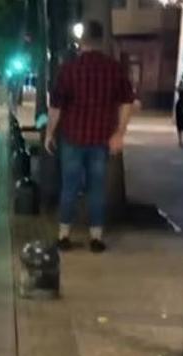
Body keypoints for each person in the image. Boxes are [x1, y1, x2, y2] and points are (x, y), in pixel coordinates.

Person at [45, 20, 134, 254]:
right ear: (101, 40)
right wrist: (119, 133)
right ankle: (96, 238)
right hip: (101, 139)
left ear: (80, 40)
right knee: (97, 188)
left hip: (73, 137)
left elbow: (56, 106)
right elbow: (127, 101)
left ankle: (64, 235)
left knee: (70, 187)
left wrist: (49, 133)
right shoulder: (113, 69)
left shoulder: (69, 69)